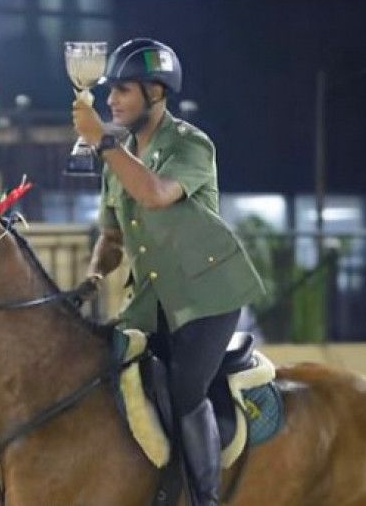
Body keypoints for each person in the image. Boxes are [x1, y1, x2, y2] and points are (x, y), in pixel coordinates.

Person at [72, 38, 266, 505]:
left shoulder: (191, 144)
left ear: (156, 93)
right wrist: (94, 276)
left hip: (207, 299)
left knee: (184, 389)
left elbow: (155, 193)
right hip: (148, 304)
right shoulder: (114, 160)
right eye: (109, 91)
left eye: (123, 90)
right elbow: (112, 238)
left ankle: (204, 498)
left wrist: (100, 139)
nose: (112, 100)